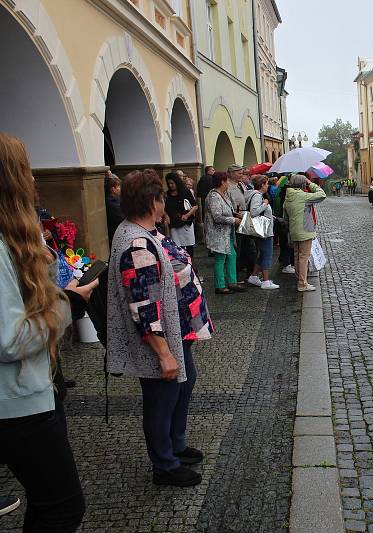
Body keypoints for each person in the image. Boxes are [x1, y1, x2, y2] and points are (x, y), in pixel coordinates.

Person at [0, 133, 93, 531]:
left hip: (30, 395)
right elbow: (9, 339)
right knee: (63, 507)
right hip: (18, 405)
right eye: (27, 170)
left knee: (49, 502)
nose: (35, 180)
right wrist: (68, 304)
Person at [107, 169, 213, 487]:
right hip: (160, 340)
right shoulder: (135, 242)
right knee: (161, 400)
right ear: (152, 201)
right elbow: (145, 306)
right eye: (161, 197)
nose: (164, 201)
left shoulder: (147, 231)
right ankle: (165, 465)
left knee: (184, 383)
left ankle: (176, 445)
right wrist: (164, 354)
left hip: (178, 332)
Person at [283, 174, 326, 292]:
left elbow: (285, 217)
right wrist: (310, 183)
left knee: (297, 256)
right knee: (303, 257)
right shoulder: (303, 196)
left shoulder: (288, 197)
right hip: (305, 231)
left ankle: (299, 279)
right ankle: (302, 283)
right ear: (303, 184)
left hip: (294, 231)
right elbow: (322, 194)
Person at [205, 171, 245, 294]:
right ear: (222, 182)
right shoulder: (214, 196)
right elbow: (217, 216)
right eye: (227, 180)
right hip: (218, 234)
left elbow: (226, 210)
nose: (228, 183)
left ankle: (232, 281)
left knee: (232, 256)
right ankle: (220, 285)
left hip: (226, 233)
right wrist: (234, 220)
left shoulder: (223, 194)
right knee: (220, 258)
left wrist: (234, 214)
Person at [244, 175, 279, 289]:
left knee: (262, 254)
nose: (268, 185)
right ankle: (266, 281)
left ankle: (254, 276)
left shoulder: (256, 195)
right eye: (266, 183)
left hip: (264, 230)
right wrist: (265, 204)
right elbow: (254, 212)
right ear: (262, 185)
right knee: (267, 254)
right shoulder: (258, 196)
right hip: (264, 231)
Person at [164, 172, 198, 258]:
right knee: (177, 246)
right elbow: (164, 208)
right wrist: (166, 215)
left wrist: (187, 215)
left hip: (186, 223)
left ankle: (190, 262)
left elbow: (195, 206)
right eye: (169, 184)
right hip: (174, 224)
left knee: (189, 245)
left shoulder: (185, 192)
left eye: (172, 183)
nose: (171, 185)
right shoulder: (167, 195)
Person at [272, 174, 295, 274]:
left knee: (284, 242)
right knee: (287, 243)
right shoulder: (289, 192)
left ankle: (284, 260)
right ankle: (287, 263)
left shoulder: (281, 189)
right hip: (285, 220)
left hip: (280, 218)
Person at [105, 171, 124, 241]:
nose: (120, 189)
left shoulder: (116, 199)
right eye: (118, 186)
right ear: (113, 189)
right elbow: (122, 217)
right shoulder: (112, 201)